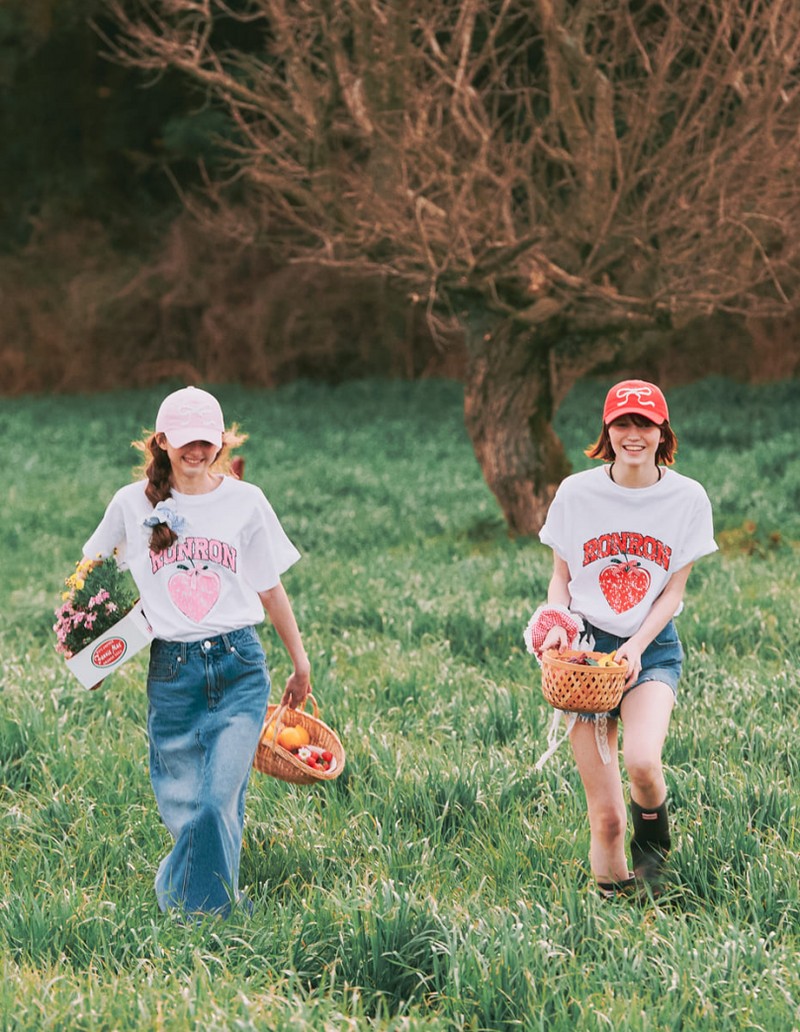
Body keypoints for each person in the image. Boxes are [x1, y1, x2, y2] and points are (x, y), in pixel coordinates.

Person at [82, 385, 311, 918]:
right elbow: (93, 581)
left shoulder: (245, 501)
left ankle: (201, 916)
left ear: (222, 440)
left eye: (207, 441)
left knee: (217, 800)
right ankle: (202, 904)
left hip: (240, 668)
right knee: (187, 807)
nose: (196, 452)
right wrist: (94, 659)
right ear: (161, 441)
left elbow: (269, 586)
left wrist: (300, 660)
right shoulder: (130, 503)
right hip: (172, 671)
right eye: (184, 442)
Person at [525, 379, 716, 898]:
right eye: (622, 423)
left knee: (643, 763)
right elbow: (561, 578)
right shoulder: (576, 492)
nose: (634, 434)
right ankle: (616, 920)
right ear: (607, 431)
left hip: (650, 649)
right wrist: (557, 627)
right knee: (606, 817)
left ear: (662, 432)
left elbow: (673, 592)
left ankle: (653, 846)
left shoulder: (687, 498)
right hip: (585, 655)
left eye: (645, 424)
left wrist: (633, 647)